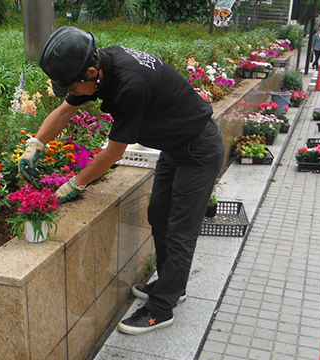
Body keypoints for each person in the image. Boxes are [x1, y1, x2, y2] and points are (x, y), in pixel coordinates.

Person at [18, 26, 225, 335]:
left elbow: (114, 152)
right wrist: (34, 145)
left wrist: (75, 184)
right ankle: (173, 285)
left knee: (180, 228)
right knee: (158, 215)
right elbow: (64, 112)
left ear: (90, 72)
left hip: (198, 149)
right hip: (175, 145)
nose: (72, 92)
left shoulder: (131, 85)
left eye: (74, 85)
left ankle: (161, 308)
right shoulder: (104, 63)